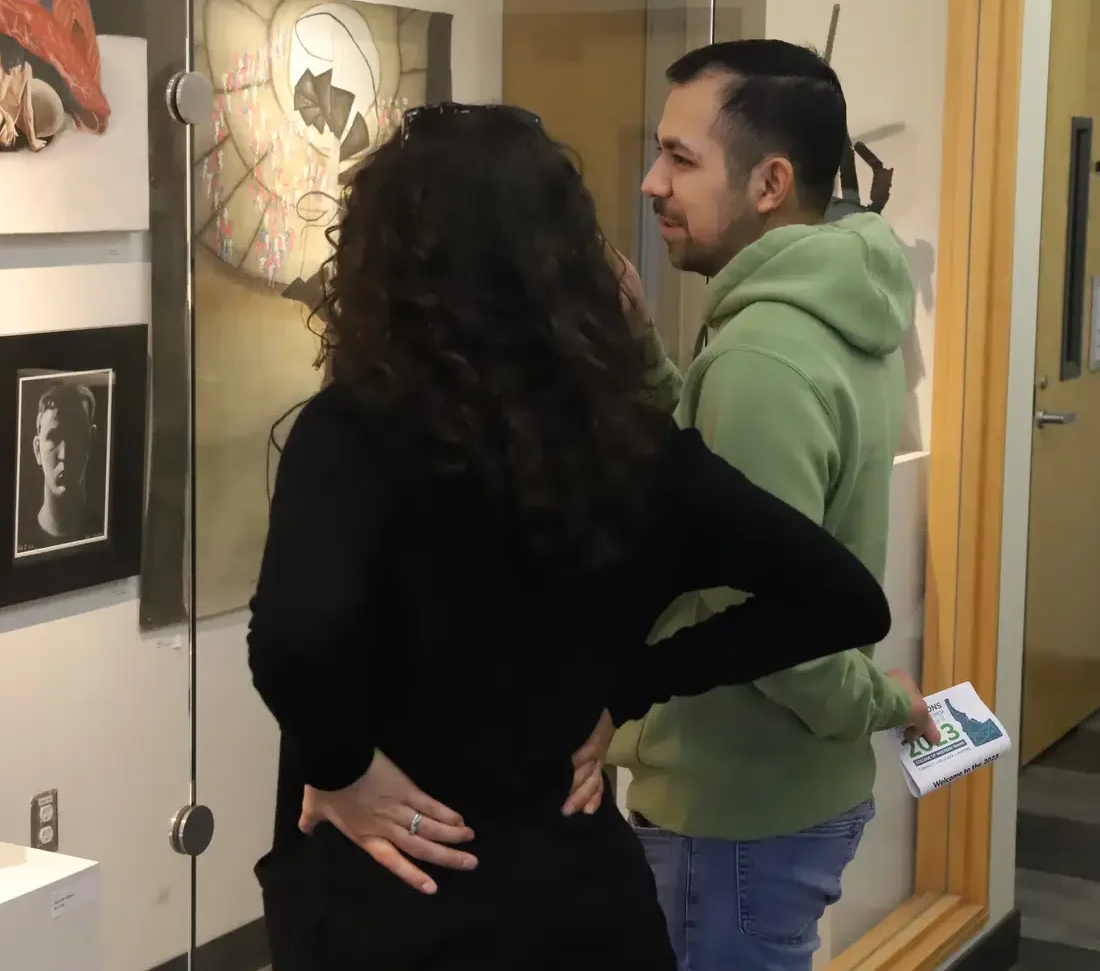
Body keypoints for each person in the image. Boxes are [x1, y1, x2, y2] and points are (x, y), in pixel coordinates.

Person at [247, 102, 896, 971]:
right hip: (581, 904)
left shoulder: (355, 430)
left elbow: (298, 639)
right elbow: (841, 599)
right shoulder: (631, 441)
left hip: (400, 898)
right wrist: (632, 685)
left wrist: (341, 770)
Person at [597, 40, 940, 970]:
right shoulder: (839, 298)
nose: (649, 182)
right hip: (779, 799)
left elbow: (769, 617)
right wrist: (642, 356)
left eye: (680, 157)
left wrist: (879, 697)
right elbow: (727, 497)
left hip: (731, 810)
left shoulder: (760, 355)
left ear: (771, 181)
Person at [23, 381, 98, 550]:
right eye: (54, 437)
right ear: (37, 450)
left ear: (90, 443)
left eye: (76, 436)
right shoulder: (15, 537)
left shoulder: (101, 530)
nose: (64, 455)